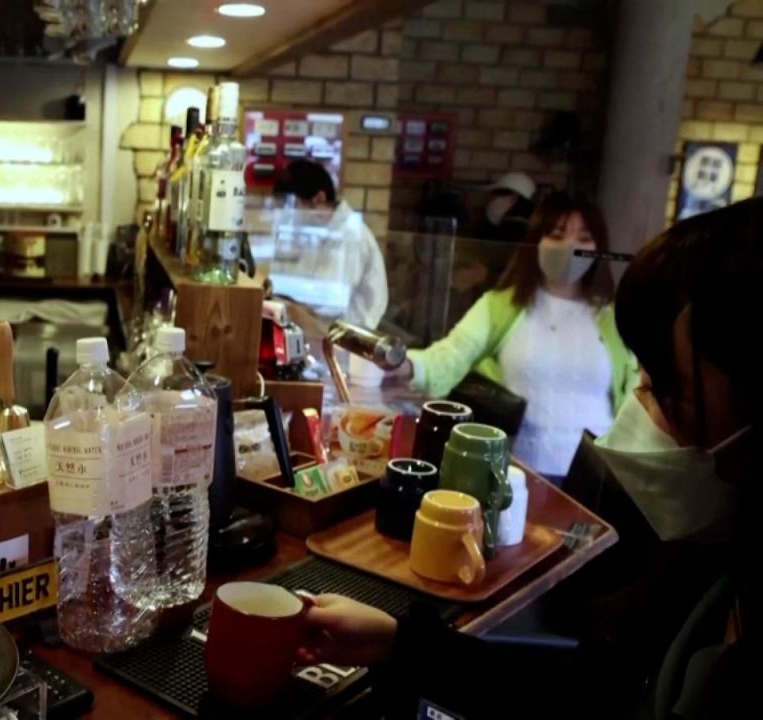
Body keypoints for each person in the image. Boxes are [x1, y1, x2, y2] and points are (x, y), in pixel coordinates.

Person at [299, 197, 759, 719]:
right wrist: (394, 641)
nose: (642, 412)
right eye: (645, 381)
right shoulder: (698, 579)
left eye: (669, 393)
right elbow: (583, 695)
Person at [392, 193, 638, 480]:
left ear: (599, 248)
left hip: (596, 478)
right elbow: (452, 354)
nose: (570, 247)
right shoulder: (500, 307)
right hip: (515, 471)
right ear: (536, 242)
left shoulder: (615, 317)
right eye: (557, 235)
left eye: (583, 239)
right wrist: (403, 363)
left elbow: (638, 394)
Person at [271, 159, 389, 329]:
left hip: (348, 339)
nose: (289, 216)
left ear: (319, 198)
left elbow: (329, 302)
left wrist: (280, 290)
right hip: (317, 331)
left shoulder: (351, 234)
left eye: (293, 206)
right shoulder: (316, 230)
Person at [475, 170, 536, 243]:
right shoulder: (529, 228)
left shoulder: (512, 233)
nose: (492, 200)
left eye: (498, 194)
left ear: (514, 198)